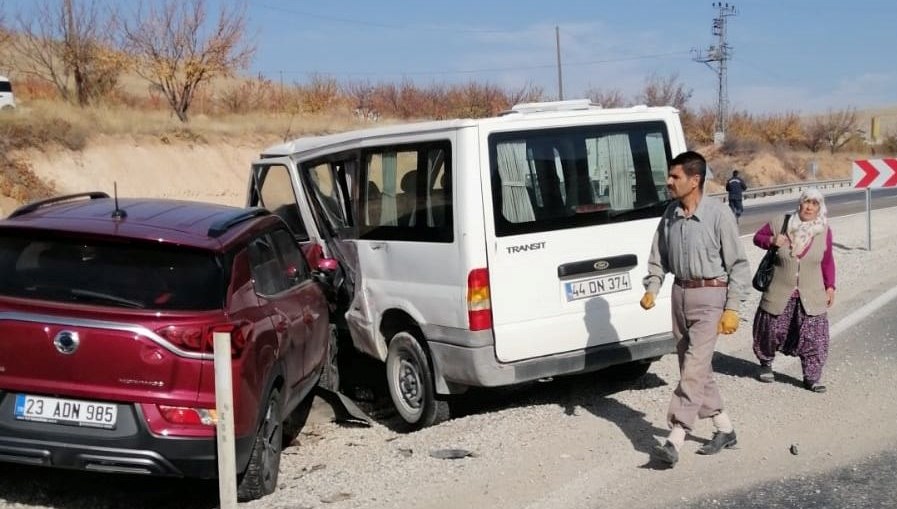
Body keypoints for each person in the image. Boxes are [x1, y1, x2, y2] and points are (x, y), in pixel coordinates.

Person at [640, 150, 751, 467]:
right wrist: (652, 288)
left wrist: (733, 308)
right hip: (680, 295)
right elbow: (658, 257)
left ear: (695, 180)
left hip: (711, 297)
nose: (669, 181)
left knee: (693, 368)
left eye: (675, 176)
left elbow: (738, 265)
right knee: (695, 369)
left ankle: (675, 438)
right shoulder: (670, 215)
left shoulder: (719, 215)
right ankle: (725, 429)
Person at [751, 187, 835, 393]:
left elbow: (827, 261)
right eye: (806, 202)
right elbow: (757, 237)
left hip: (812, 294)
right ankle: (766, 363)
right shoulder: (781, 222)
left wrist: (830, 286)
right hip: (779, 291)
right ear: (800, 203)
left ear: (820, 208)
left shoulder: (824, 230)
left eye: (814, 204)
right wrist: (771, 241)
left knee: (814, 337)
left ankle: (812, 377)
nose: (809, 207)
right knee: (770, 331)